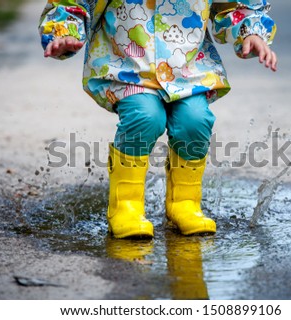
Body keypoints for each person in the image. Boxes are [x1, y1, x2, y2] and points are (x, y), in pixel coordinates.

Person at [39, 0, 277, 238]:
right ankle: (125, 206)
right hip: (127, 65)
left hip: (187, 67)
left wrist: (251, 30)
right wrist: (64, 31)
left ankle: (184, 204)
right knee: (146, 116)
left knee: (195, 120)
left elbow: (235, 5)